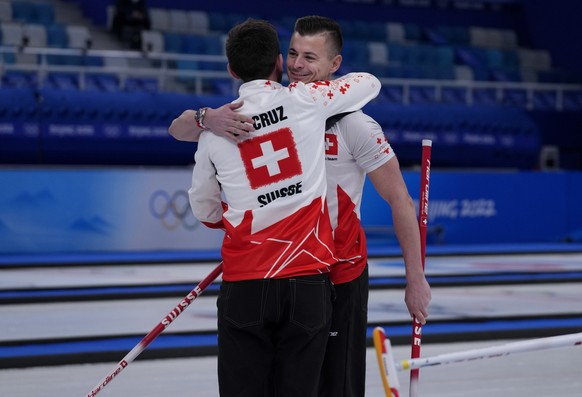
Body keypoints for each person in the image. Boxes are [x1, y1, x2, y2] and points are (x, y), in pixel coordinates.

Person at [170, 16, 431, 397]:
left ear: (334, 67)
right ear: (278, 59)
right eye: (292, 53)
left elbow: (400, 200)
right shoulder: (278, 107)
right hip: (299, 275)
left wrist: (416, 279)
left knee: (335, 388)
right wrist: (207, 116)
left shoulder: (352, 124)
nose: (297, 65)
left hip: (339, 273)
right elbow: (180, 128)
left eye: (310, 57)